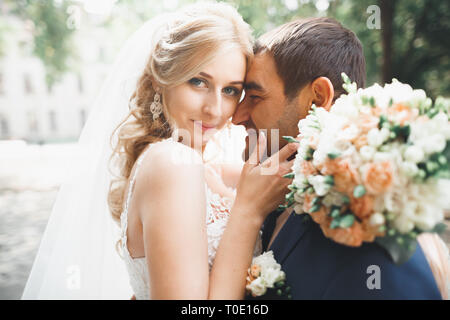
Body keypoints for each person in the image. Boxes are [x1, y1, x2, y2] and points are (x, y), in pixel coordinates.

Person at [22, 1, 296, 300]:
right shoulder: (173, 162)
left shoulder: (206, 167)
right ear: (160, 81)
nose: (215, 109)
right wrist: (248, 212)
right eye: (198, 82)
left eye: (230, 90)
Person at [233, 17, 446, 299]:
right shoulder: (273, 195)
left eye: (255, 96)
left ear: (318, 98)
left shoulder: (375, 236)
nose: (237, 116)